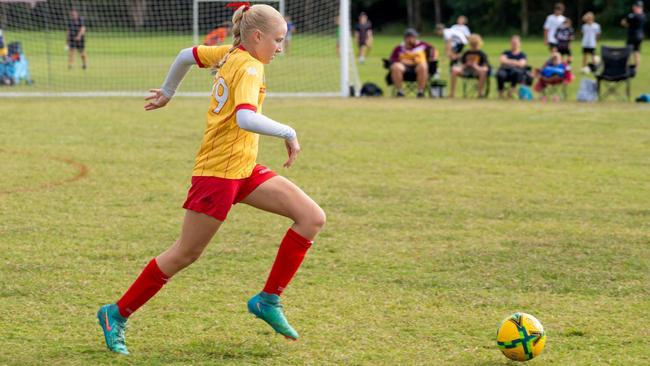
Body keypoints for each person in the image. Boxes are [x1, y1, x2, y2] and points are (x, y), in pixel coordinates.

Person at [96, 4, 326, 355]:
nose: (281, 47)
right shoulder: (248, 65)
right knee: (185, 253)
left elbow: (185, 54)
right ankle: (116, 313)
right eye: (278, 40)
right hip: (217, 174)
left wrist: (168, 92)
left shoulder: (232, 52)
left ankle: (268, 300)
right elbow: (246, 118)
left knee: (311, 217)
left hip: (243, 169)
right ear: (258, 36)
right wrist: (289, 132)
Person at [388, 28, 436, 98]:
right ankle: (400, 92)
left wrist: (432, 57)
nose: (410, 39)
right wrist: (403, 61)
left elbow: (433, 51)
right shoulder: (399, 48)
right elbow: (392, 60)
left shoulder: (423, 45)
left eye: (412, 37)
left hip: (418, 67)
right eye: (408, 37)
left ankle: (420, 92)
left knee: (423, 65)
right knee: (395, 66)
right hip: (404, 68)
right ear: (405, 38)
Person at [449, 34, 489, 98]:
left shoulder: (482, 54)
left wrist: (476, 66)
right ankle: (452, 93)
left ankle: (479, 93)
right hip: (466, 70)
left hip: (477, 71)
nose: (473, 46)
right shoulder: (467, 52)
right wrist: (466, 65)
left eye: (475, 44)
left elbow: (485, 67)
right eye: (472, 44)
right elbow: (461, 64)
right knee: (454, 70)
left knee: (484, 71)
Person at [621, 1, 646, 67]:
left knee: (627, 50)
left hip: (633, 36)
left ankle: (625, 66)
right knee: (637, 51)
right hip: (640, 35)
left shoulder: (633, 15)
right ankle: (636, 67)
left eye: (635, 6)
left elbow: (624, 22)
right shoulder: (643, 15)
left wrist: (626, 23)